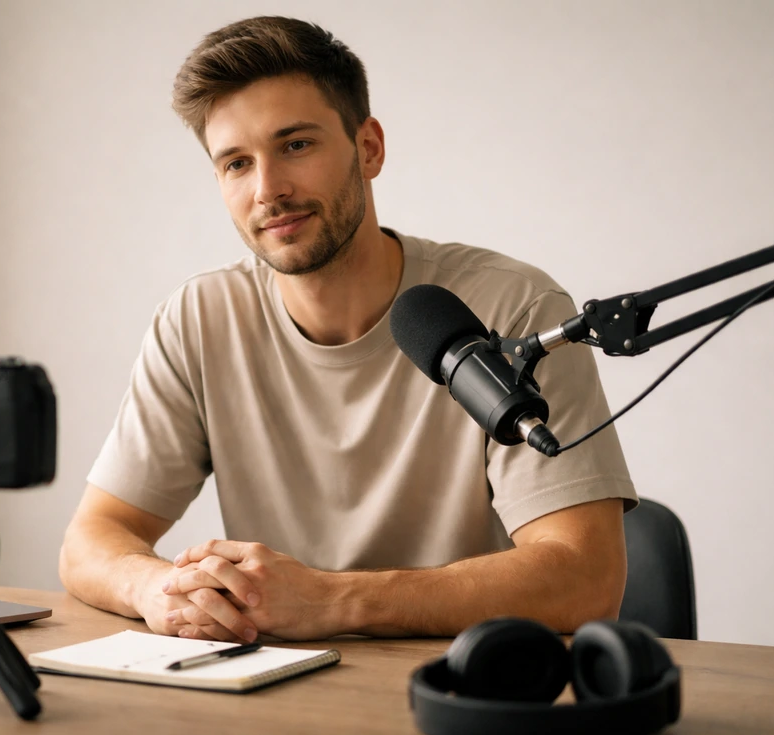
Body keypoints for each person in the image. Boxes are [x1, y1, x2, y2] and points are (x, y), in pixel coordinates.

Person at [59, 16, 636, 643]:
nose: (268, 190)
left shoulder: (516, 308)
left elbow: (586, 577)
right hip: (280, 698)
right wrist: (158, 590)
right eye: (235, 164)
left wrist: (333, 600)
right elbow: (91, 541)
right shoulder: (198, 320)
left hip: (469, 692)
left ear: (368, 148)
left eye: (296, 145)